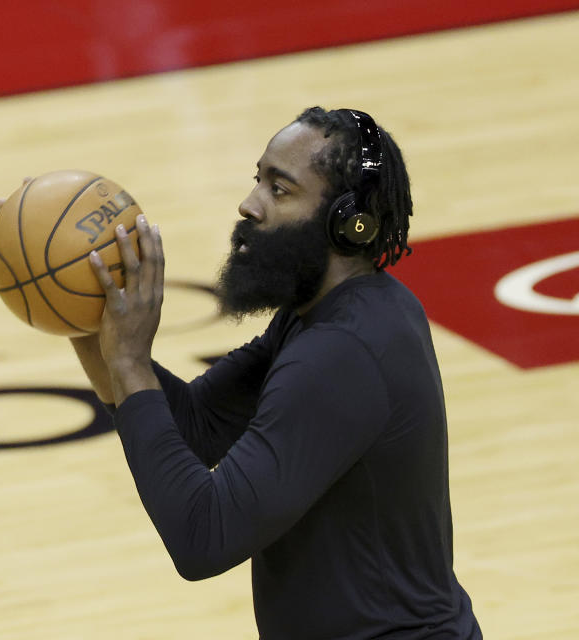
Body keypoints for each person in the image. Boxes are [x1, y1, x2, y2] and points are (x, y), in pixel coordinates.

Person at [71, 107, 482, 638]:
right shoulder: (331, 313)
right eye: (257, 180)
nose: (249, 205)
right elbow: (194, 427)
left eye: (280, 190)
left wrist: (128, 361)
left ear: (346, 223)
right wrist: (81, 317)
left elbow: (203, 538)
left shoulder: (341, 355)